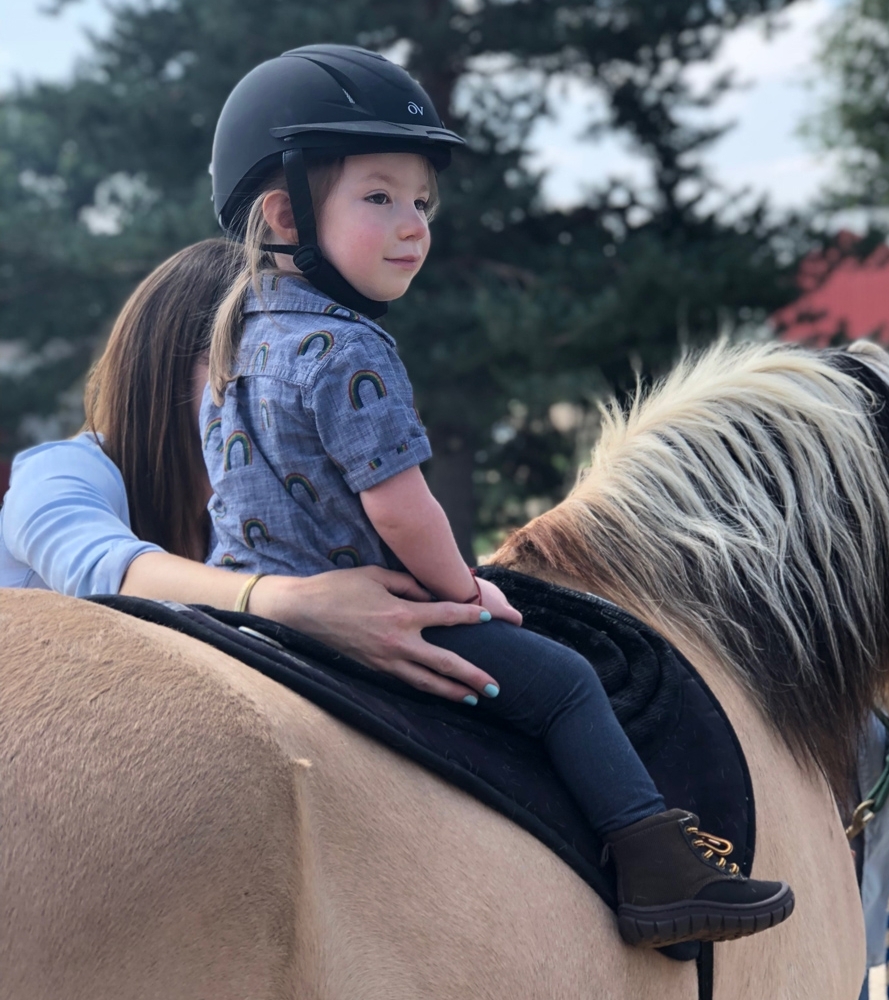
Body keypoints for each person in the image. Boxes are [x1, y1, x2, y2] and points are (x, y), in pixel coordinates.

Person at [202, 43, 795, 948]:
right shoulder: (351, 349)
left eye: (422, 203)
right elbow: (403, 510)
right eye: (379, 197)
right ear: (284, 212)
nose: (414, 224)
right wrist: (463, 590)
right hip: (370, 609)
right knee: (561, 683)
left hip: (245, 605)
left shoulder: (234, 340)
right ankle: (656, 867)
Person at [0, 238, 501, 704]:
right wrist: (297, 604)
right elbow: (107, 573)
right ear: (171, 366)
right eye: (249, 363)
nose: (272, 389)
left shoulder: (247, 524)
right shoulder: (56, 475)